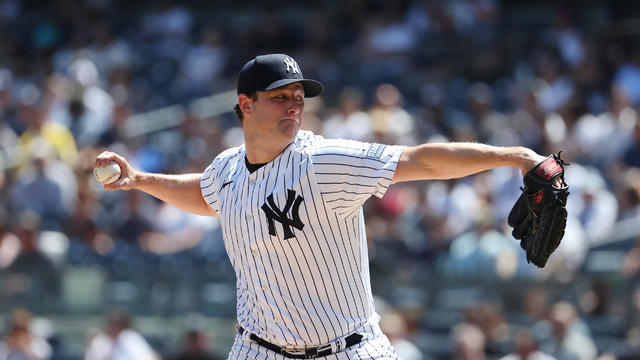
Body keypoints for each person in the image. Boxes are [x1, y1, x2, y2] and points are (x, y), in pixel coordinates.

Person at [95, 53, 553, 360]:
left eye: (298, 98)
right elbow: (206, 194)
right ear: (244, 105)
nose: (294, 107)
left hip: (348, 349)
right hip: (259, 349)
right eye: (280, 98)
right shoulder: (227, 169)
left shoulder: (322, 161)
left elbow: (420, 160)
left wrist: (515, 156)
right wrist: (139, 180)